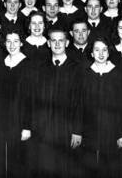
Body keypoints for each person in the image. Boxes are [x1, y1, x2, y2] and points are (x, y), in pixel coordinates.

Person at [30, 29, 83, 178]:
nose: (57, 44)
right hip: (45, 128)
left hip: (67, 128)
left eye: (61, 40)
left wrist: (77, 130)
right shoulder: (41, 68)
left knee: (66, 168)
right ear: (48, 43)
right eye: (54, 40)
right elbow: (35, 100)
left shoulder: (76, 68)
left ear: (67, 43)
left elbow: (80, 101)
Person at [81, 38, 122, 178]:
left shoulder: (118, 74)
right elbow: (80, 103)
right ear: (91, 53)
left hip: (112, 130)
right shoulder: (85, 74)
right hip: (90, 130)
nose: (101, 53)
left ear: (109, 53)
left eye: (104, 50)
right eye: (97, 50)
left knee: (110, 168)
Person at [0, 31, 32, 178]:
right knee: (3, 162)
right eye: (8, 41)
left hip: (21, 121)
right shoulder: (1, 64)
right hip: (2, 121)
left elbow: (31, 99)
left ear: (21, 43)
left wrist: (27, 126)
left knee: (19, 163)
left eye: (16, 41)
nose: (12, 45)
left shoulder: (28, 65)